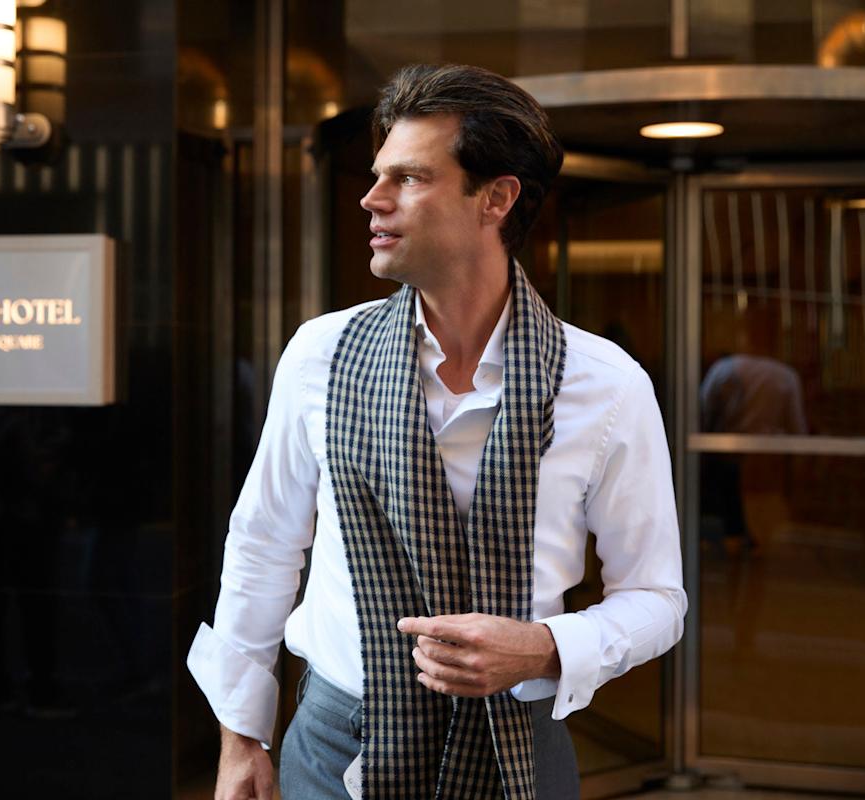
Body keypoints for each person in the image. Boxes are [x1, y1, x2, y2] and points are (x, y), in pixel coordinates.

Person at [188, 63, 686, 800]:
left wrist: (547, 647)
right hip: (334, 748)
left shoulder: (605, 383)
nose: (371, 198)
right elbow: (263, 542)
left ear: (496, 198)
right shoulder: (321, 354)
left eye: (410, 178)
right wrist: (240, 737)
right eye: (376, 174)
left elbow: (656, 596)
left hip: (516, 746)